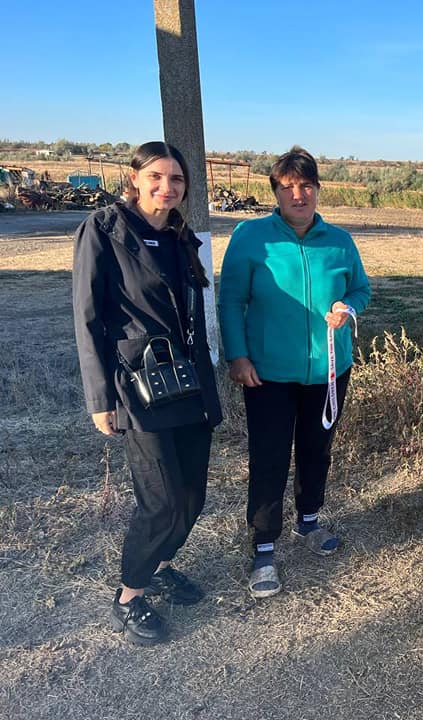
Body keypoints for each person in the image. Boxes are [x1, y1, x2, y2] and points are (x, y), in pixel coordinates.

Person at [73, 141, 223, 644]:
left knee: (193, 497)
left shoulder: (181, 235)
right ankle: (129, 597)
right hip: (139, 387)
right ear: (134, 179)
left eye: (177, 179)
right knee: (160, 500)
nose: (167, 187)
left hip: (188, 384)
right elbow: (88, 318)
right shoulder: (105, 230)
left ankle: (157, 565)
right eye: (156, 177)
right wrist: (101, 398)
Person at [218, 146, 371, 599]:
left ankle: (309, 520)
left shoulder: (339, 240)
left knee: (316, 448)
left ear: (318, 189)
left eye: (306, 185)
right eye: (288, 187)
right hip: (268, 374)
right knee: (269, 456)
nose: (298, 195)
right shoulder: (251, 236)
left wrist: (349, 308)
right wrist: (238, 356)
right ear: (276, 192)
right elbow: (230, 301)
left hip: (328, 370)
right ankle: (264, 546)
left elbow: (361, 288)